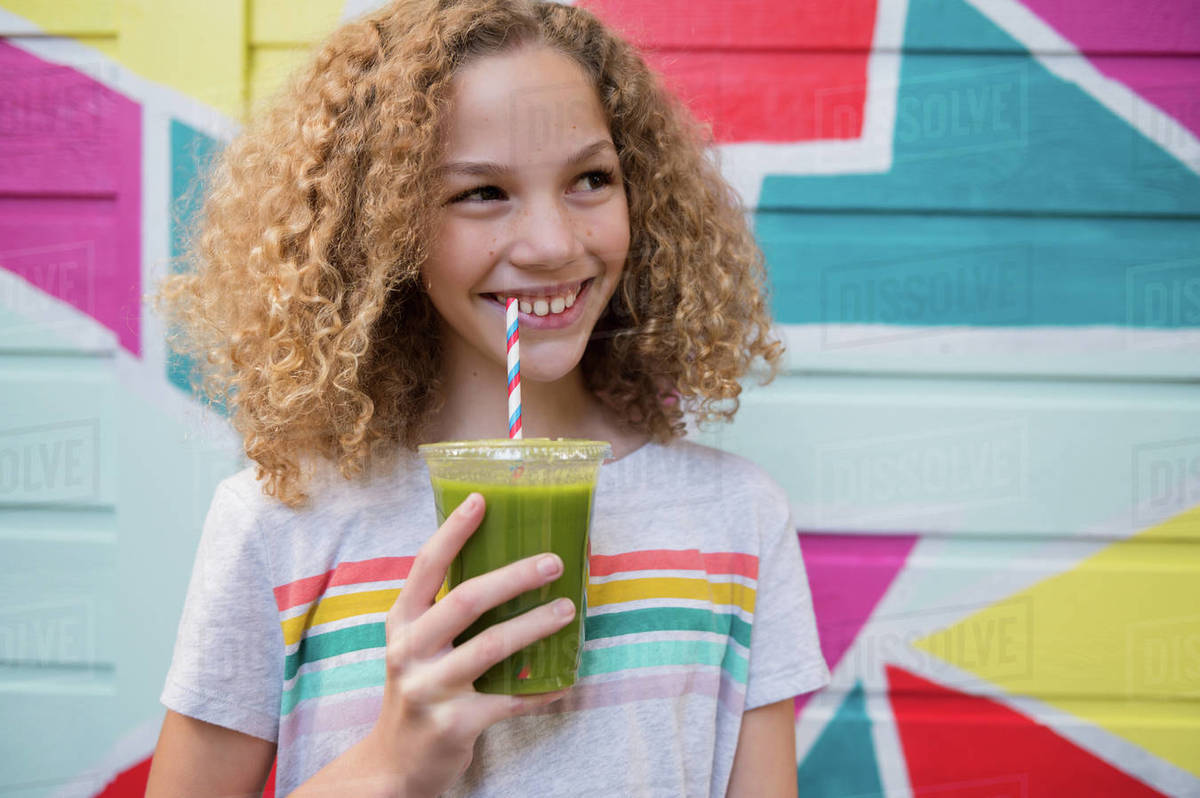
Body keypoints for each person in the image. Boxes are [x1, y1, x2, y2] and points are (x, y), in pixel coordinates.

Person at [146, 0, 829, 795]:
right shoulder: (281, 523)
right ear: (385, 226)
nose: (552, 244)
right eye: (481, 193)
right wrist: (392, 760)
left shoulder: (737, 519)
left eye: (591, 180)